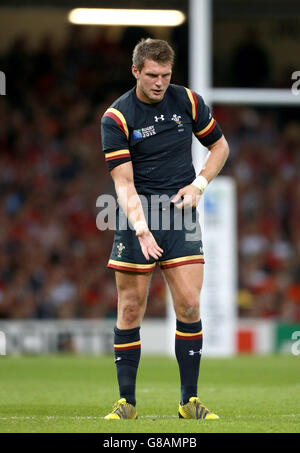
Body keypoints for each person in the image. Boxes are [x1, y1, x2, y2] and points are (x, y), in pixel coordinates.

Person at [101, 38, 229, 420]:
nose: (159, 82)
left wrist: (200, 184)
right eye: (152, 75)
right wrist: (141, 228)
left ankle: (189, 402)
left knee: (189, 305)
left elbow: (220, 147)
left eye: (166, 75)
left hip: (179, 212)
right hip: (136, 213)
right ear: (136, 71)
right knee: (129, 307)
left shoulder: (188, 101)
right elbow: (123, 185)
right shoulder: (117, 117)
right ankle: (127, 403)